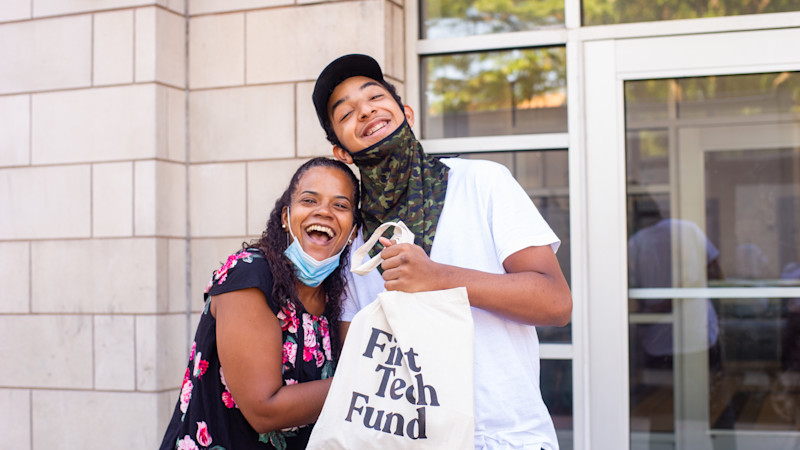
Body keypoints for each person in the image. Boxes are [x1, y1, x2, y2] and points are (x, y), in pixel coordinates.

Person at [312, 54, 572, 449]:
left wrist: (439, 279)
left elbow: (555, 303)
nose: (365, 111)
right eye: (346, 113)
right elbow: (357, 365)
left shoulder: (482, 183)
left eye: (374, 97)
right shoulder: (355, 246)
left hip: (504, 437)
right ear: (341, 153)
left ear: (406, 113)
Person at [159, 157, 361, 450]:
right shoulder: (250, 275)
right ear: (285, 216)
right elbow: (264, 410)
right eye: (309, 200)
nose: (324, 212)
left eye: (340, 206)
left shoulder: (336, 294)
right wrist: (367, 385)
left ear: (353, 231)